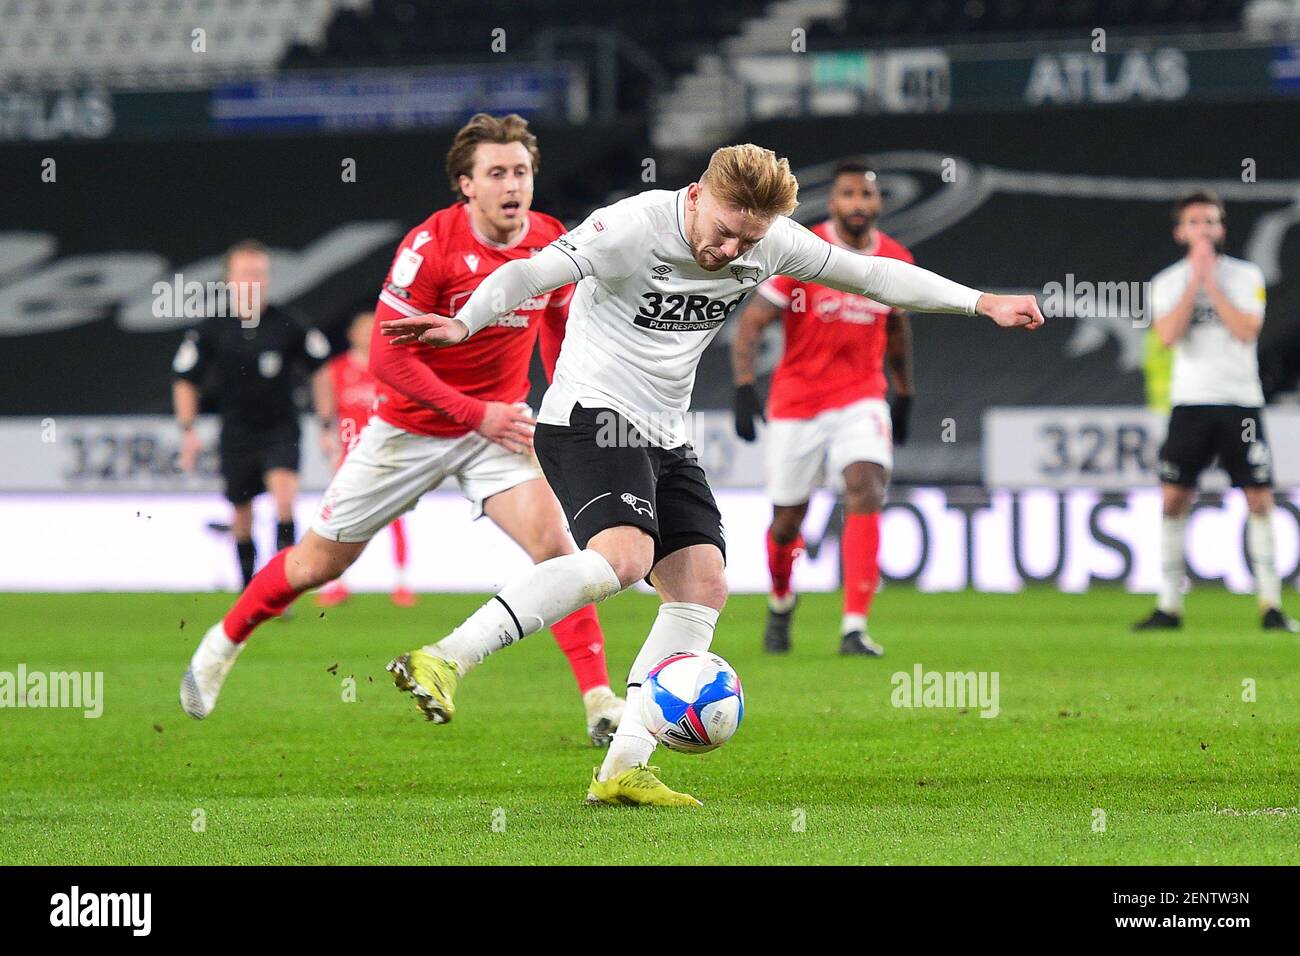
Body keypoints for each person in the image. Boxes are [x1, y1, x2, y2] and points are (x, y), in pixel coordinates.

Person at [379, 143, 1044, 807]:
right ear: (697, 194)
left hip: (665, 432)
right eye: (725, 233)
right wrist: (466, 322)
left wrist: (982, 302)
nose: (731, 252)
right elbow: (527, 275)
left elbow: (873, 277)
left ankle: (622, 770)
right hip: (590, 415)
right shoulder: (631, 227)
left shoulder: (772, 242)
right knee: (624, 557)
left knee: (703, 586)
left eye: (747, 241)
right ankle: (446, 656)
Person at [180, 113, 626, 746]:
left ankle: (599, 701)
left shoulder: (550, 239)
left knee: (556, 550)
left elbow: (556, 318)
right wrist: (478, 414)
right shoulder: (430, 248)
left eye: (521, 172)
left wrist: (556, 404)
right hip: (410, 429)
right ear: (466, 185)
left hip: (495, 432)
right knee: (314, 563)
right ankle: (222, 641)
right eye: (495, 173)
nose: (512, 185)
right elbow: (389, 361)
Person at [731, 159, 914, 657]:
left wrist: (905, 392)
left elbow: (897, 329)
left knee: (865, 485)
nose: (859, 204)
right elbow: (752, 323)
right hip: (797, 405)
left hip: (861, 399)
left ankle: (854, 626)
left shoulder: (896, 258)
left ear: (879, 203)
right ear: (833, 203)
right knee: (788, 522)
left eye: (867, 195)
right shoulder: (803, 252)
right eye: (849, 195)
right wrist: (745, 388)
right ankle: (781, 599)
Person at [1133, 190, 1298, 633]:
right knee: (1173, 497)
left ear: (1222, 229)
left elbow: (1247, 330)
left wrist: (1210, 283)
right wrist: (1194, 282)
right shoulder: (1166, 282)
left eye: (1211, 221)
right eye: (1195, 222)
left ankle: (1271, 605)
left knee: (1259, 497)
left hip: (1241, 403)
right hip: (1190, 402)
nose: (1204, 229)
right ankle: (1169, 605)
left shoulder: (1246, 276)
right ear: (1180, 232)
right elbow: (1166, 335)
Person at [172, 239, 330, 589]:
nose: (253, 281)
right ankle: (248, 587)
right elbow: (184, 379)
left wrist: (326, 423)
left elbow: (320, 369)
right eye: (245, 274)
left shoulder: (287, 323)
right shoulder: (212, 329)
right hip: (237, 432)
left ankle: (280, 587)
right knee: (242, 515)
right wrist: (188, 430)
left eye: (259, 274)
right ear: (229, 280)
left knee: (284, 499)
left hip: (280, 427)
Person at [315, 310, 416, 609]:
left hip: (387, 453)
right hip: (350, 457)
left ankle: (401, 583)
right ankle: (336, 582)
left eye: (373, 329)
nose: (368, 335)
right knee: (340, 519)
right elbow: (327, 413)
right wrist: (329, 443)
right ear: (351, 335)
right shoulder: (337, 369)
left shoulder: (390, 367)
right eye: (363, 330)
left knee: (396, 517)